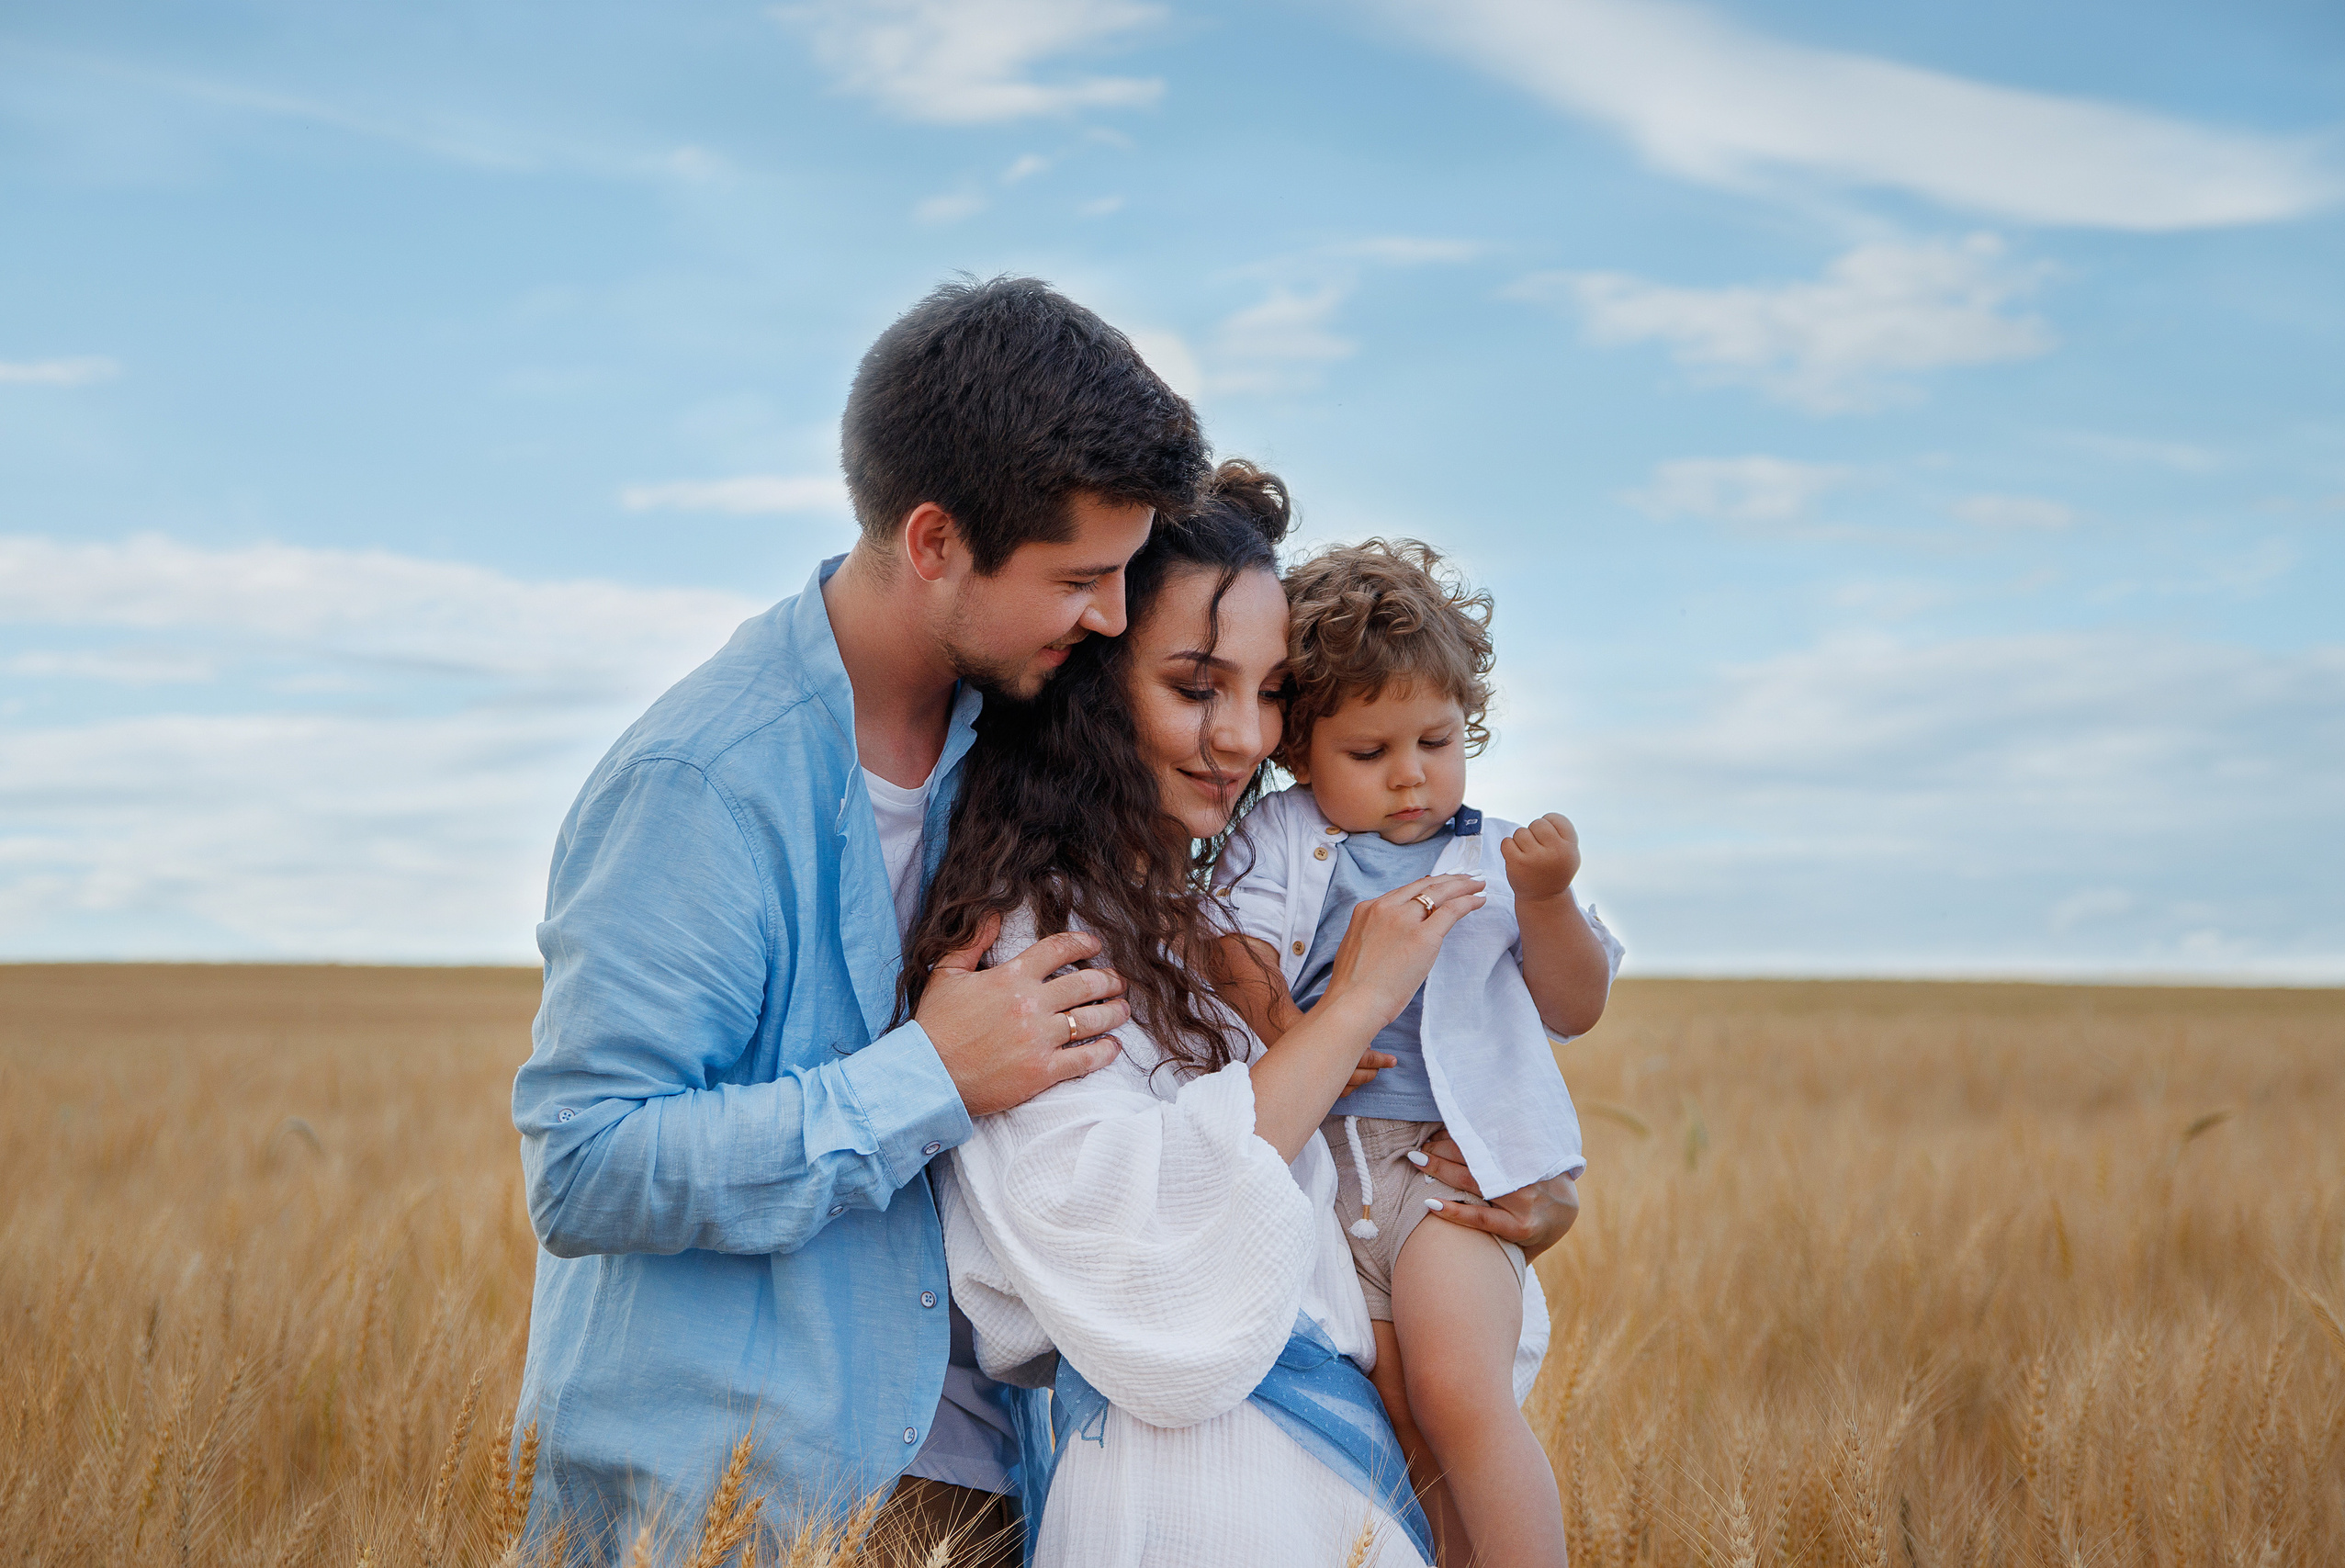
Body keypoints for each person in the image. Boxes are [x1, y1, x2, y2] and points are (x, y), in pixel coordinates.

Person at [507, 276, 1208, 1562]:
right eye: (1079, 578)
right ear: (935, 541)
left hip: (981, 1480)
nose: (1110, 616)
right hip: (729, 1509)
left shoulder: (1021, 733)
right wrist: (928, 1076)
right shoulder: (704, 783)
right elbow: (586, 1163)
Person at [903, 466, 1575, 1568]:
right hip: (1195, 1501)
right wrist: (1355, 1004)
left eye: (1270, 694)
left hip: (1334, 1483)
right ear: (1089, 685)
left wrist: (1495, 1198)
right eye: (1193, 685)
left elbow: (1334, 1199)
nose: (1244, 737)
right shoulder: (1031, 943)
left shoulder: (1209, 929)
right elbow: (1133, 1240)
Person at [1210, 539, 1623, 1568]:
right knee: (1390, 1407)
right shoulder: (1277, 832)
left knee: (1457, 1393)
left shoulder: (1499, 852)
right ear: (1301, 752)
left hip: (1445, 1168)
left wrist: (1548, 899)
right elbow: (1231, 944)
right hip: (1320, 1167)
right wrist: (1296, 1031)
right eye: (1370, 752)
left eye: (1437, 741)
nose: (1411, 777)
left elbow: (1574, 1005)